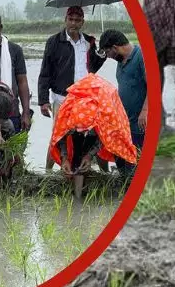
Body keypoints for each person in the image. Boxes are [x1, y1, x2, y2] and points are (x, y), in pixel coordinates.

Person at [48, 73, 141, 201]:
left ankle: (130, 190)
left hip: (106, 104)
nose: (82, 133)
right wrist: (64, 158)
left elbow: (107, 137)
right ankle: (78, 197)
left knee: (122, 154)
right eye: (78, 130)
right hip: (81, 112)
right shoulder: (66, 114)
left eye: (85, 130)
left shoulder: (106, 116)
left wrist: (90, 155)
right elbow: (60, 137)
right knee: (77, 157)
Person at [38, 7, 106, 168]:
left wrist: (101, 55)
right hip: (62, 97)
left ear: (83, 22)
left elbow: (93, 68)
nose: (74, 23)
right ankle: (47, 172)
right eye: (71, 19)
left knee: (93, 133)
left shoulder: (89, 42)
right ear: (65, 20)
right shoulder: (54, 42)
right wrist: (43, 100)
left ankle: (104, 172)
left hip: (85, 98)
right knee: (57, 135)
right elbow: (45, 72)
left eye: (78, 20)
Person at [98, 29, 153, 176]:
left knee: (137, 162)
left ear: (115, 48)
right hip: (124, 122)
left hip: (139, 122)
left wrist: (145, 111)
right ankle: (124, 185)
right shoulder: (120, 61)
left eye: (108, 53)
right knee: (121, 160)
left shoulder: (141, 55)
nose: (108, 57)